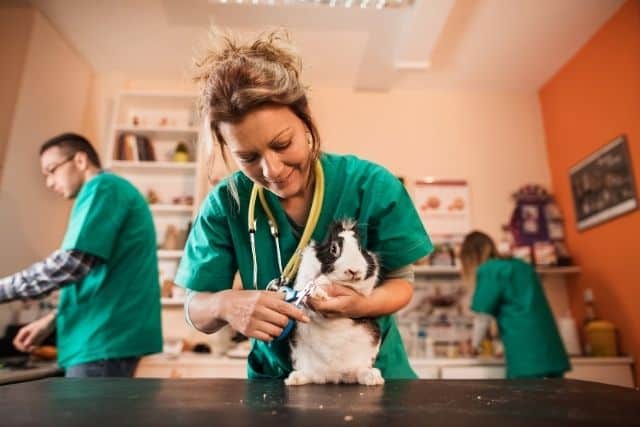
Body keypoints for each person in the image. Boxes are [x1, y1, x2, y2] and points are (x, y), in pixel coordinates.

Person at [176, 29, 433, 380]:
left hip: (371, 374)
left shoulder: (370, 185)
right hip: (281, 383)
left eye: (282, 144)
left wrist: (362, 304)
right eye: (247, 157)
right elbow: (194, 307)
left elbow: (402, 282)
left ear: (305, 118)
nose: (272, 170)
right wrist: (225, 305)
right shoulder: (227, 204)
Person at [0, 133, 163, 377]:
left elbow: (70, 265)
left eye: (52, 170)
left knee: (88, 417)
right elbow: (99, 276)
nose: (49, 182)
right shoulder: (114, 191)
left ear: (80, 160)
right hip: (104, 338)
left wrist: (2, 290)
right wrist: (52, 320)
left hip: (102, 339)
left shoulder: (103, 187)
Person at [460, 230, 570, 378]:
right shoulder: (520, 265)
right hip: (551, 350)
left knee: (526, 399)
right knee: (555, 399)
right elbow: (519, 309)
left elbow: (482, 317)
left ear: (470, 257)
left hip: (527, 355)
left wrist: (474, 346)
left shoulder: (490, 270)